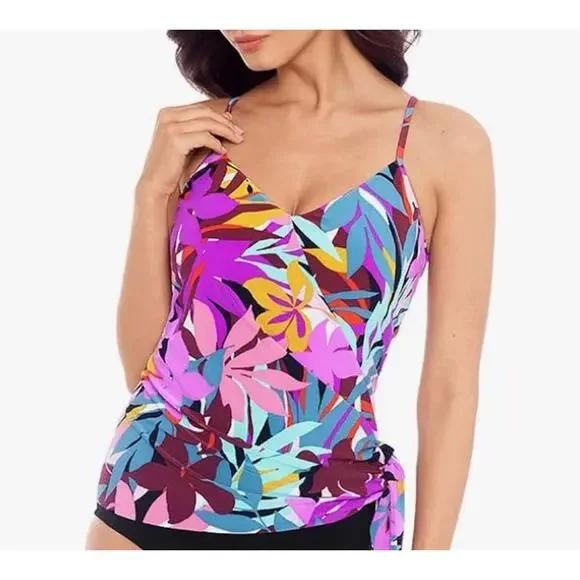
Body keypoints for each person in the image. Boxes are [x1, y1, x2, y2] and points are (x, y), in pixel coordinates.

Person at [85, 30, 495, 550]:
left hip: (335, 507)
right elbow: (147, 372)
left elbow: (450, 385)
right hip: (152, 499)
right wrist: (152, 193)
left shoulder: (442, 142)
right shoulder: (203, 133)